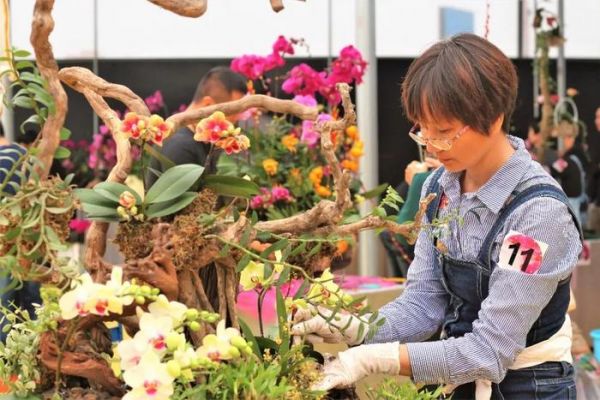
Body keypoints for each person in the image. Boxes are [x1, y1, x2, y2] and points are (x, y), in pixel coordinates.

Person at [292, 33, 581, 399]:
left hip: (530, 387)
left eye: (443, 131)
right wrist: (355, 328)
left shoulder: (537, 216)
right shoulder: (440, 189)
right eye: (421, 128)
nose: (430, 144)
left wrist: (370, 360)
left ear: (493, 119)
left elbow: (487, 351)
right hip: (461, 379)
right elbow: (425, 302)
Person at [145, 66, 247, 187]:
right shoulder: (180, 146)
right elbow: (188, 204)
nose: (237, 120)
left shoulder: (199, 142)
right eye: (232, 113)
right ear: (208, 105)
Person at [0, 125, 42, 342]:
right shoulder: (22, 155)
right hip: (29, 241)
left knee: (4, 306)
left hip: (5, 244)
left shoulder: (4, 159)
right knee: (31, 303)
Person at [550, 122, 590, 226]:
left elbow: (554, 170)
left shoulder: (569, 157)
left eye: (563, 139)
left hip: (572, 198)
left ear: (568, 138)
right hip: (580, 196)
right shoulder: (579, 152)